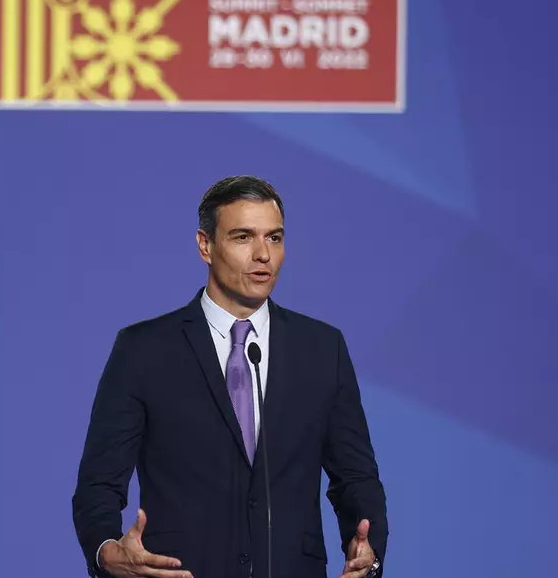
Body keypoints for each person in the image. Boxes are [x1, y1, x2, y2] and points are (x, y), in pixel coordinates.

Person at [72, 175, 387, 578]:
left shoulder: (323, 349)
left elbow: (356, 477)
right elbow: (98, 483)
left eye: (274, 238)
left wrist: (368, 551)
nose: (263, 254)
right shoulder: (143, 350)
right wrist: (105, 549)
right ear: (205, 245)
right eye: (243, 237)